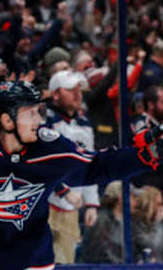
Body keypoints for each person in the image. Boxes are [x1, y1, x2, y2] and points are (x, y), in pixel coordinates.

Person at [0, 81, 163, 270]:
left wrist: (145, 156)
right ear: (7, 120)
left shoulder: (49, 146)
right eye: (30, 114)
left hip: (33, 263)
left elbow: (95, 166)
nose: (39, 120)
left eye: (39, 112)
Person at [45, 71, 100, 264]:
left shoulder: (85, 124)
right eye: (70, 90)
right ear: (55, 94)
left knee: (66, 263)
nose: (78, 94)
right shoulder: (44, 121)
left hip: (71, 209)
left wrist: (92, 203)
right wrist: (63, 190)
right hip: (44, 206)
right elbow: (42, 164)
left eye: (79, 90)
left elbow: (89, 165)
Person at [80, 180, 143, 263]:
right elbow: (98, 256)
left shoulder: (130, 222)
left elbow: (136, 250)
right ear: (121, 198)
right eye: (133, 197)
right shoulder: (100, 221)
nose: (136, 202)